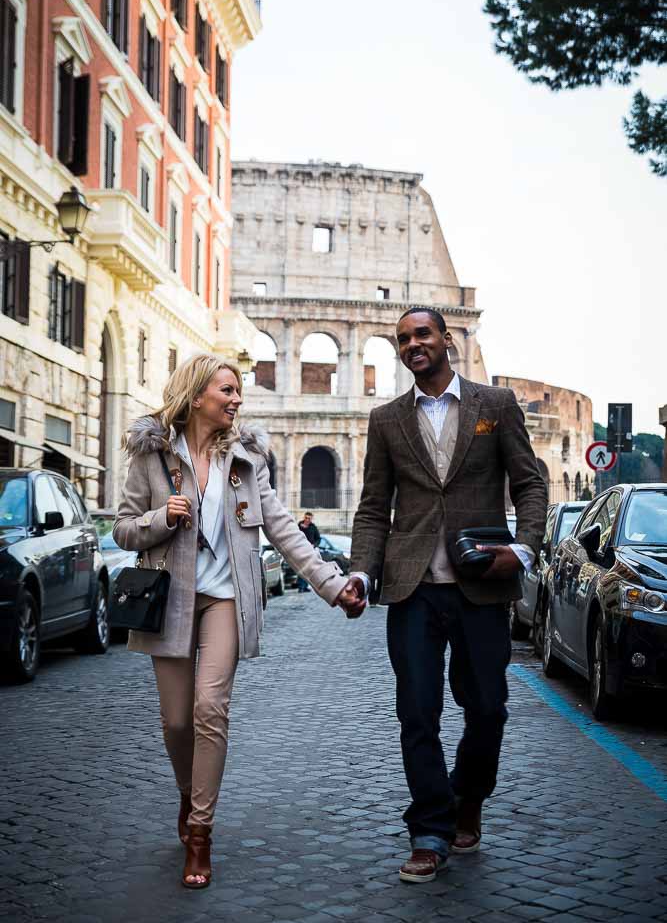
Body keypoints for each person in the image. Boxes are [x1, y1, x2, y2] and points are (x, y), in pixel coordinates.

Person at [113, 354, 360, 891]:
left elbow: (284, 529)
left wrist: (333, 585)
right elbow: (124, 530)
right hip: (169, 599)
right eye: (227, 390)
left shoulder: (246, 459)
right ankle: (188, 790)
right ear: (198, 394)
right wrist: (163, 517)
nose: (237, 399)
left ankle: (200, 831)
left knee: (209, 708)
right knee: (176, 721)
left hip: (226, 598)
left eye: (238, 391)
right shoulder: (153, 456)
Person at [340, 307, 547, 883]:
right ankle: (430, 830)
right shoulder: (386, 419)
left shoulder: (495, 407)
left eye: (422, 334)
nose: (412, 345)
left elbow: (530, 484)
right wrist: (361, 572)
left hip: (481, 584)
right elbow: (374, 506)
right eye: (402, 339)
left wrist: (524, 550)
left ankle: (469, 798)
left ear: (446, 340)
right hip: (412, 589)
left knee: (488, 710)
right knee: (417, 711)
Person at [296, 512, 320, 591]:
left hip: (310, 550)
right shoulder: (299, 526)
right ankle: (301, 587)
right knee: (301, 567)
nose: (307, 520)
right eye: (306, 518)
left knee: (308, 568)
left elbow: (318, 538)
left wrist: (314, 545)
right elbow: (295, 535)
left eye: (309, 518)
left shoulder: (313, 527)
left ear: (311, 519)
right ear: (304, 517)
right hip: (301, 549)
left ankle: (305, 586)